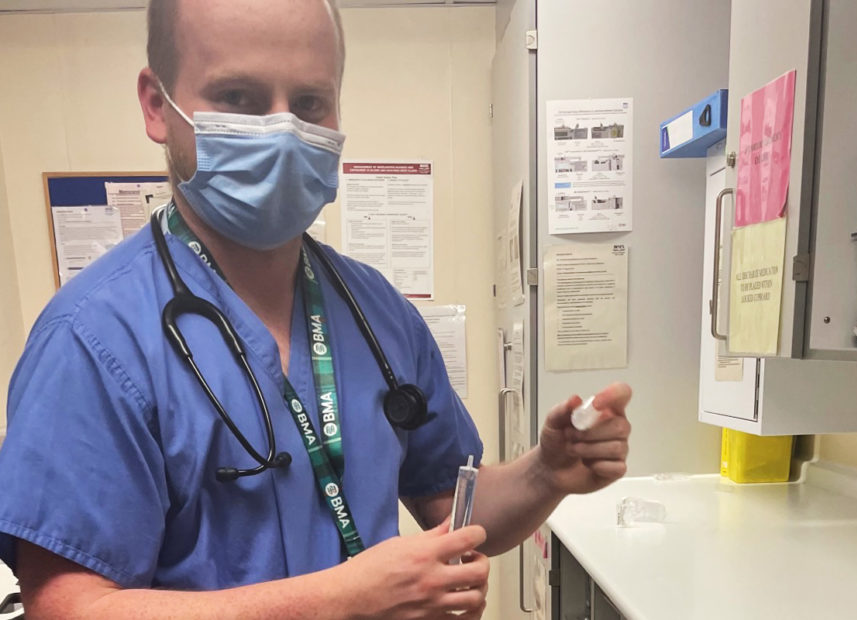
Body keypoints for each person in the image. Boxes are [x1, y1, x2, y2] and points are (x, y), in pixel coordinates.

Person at [0, 0, 633, 617]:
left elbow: (455, 511)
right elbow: (66, 607)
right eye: (239, 99)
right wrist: (344, 602)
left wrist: (546, 473)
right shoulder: (91, 341)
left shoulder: (376, 312)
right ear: (156, 105)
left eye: (308, 104)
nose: (281, 132)